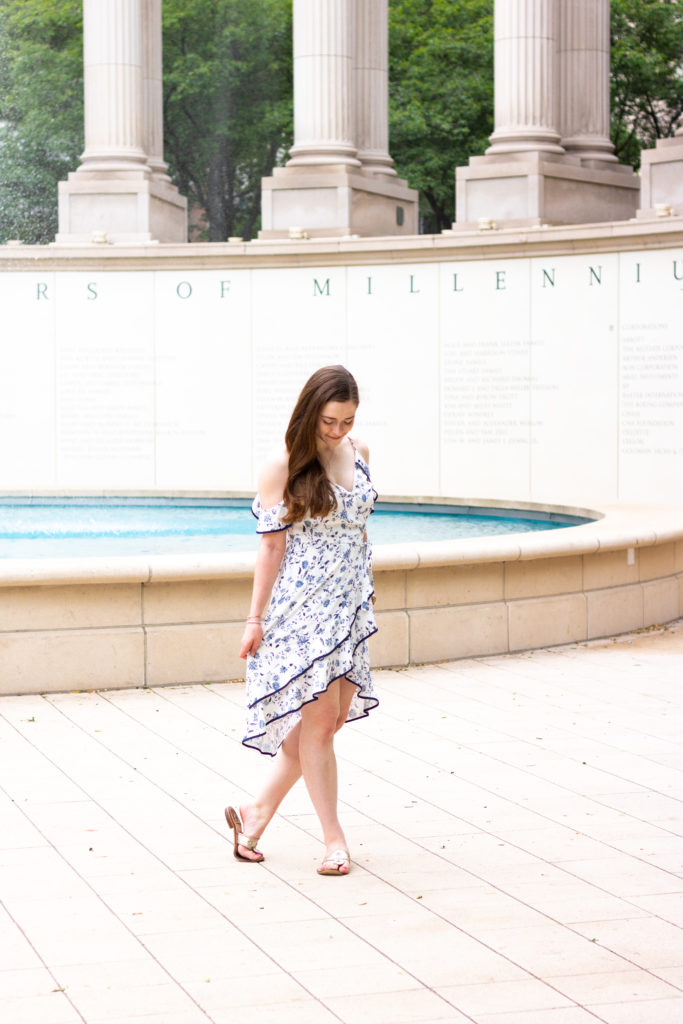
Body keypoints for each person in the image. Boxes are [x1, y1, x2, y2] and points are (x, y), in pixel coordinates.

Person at [226, 365, 378, 876]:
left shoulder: (361, 453)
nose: (338, 431)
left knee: (323, 724)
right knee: (318, 731)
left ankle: (255, 813)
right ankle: (335, 841)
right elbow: (271, 546)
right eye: (330, 421)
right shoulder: (283, 464)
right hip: (301, 613)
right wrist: (255, 619)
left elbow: (358, 533)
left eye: (348, 421)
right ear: (311, 411)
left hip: (348, 609)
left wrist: (361, 600)